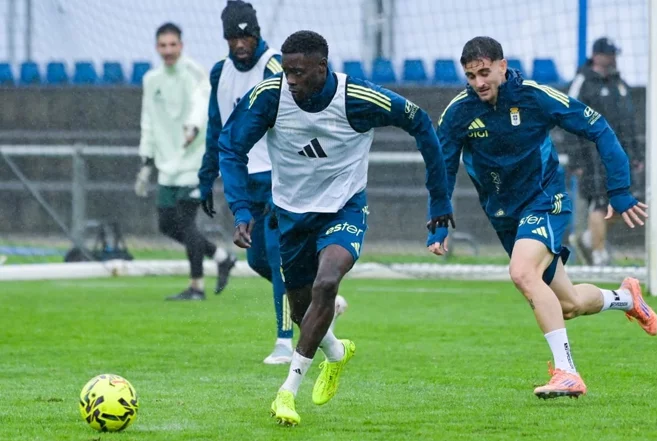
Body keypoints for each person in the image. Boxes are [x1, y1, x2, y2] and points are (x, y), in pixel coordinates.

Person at [218, 30, 454, 425]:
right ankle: (336, 353)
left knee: (326, 283)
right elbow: (231, 146)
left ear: (321, 68)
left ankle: (287, 392)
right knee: (301, 309)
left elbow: (420, 122)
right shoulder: (270, 96)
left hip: (344, 209)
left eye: (298, 72)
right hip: (290, 215)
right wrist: (241, 209)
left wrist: (440, 202)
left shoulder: (358, 98)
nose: (290, 80)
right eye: (286, 71)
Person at [430, 36, 657, 399]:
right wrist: (439, 216)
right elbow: (441, 165)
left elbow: (598, 127)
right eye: (471, 76)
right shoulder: (459, 112)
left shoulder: (534, 96)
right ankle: (627, 299)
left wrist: (619, 189)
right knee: (568, 304)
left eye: (485, 72)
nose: (479, 82)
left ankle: (568, 372)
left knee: (522, 273)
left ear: (503, 66)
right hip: (505, 215)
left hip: (545, 200)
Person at [198, 0, 296, 365]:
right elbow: (216, 126)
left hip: (278, 177)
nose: (240, 44)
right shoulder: (219, 72)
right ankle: (318, 302)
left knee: (278, 255)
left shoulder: (275, 67)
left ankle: (285, 342)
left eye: (247, 37)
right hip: (243, 180)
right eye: (233, 38)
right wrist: (207, 176)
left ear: (257, 34)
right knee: (256, 260)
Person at [135, 22, 236, 301]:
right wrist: (146, 162)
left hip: (195, 162)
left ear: (181, 45)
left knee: (186, 221)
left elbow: (200, 103)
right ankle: (221, 256)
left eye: (173, 45)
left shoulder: (194, 72)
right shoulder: (151, 80)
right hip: (167, 165)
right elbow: (148, 121)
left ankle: (196, 287)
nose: (168, 50)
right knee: (167, 224)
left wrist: (192, 127)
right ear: (157, 48)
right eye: (163, 45)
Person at [567, 37, 644, 266]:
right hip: (593, 156)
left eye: (614, 54)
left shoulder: (619, 83)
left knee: (626, 203)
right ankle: (598, 255)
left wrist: (636, 154)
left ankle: (589, 237)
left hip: (620, 155)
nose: (613, 59)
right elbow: (568, 118)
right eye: (609, 54)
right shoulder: (583, 82)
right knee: (600, 203)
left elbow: (629, 122)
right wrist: (576, 159)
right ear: (597, 56)